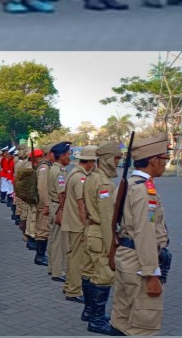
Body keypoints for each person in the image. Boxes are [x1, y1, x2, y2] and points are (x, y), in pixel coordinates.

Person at [110, 132, 168, 336]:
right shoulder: (144, 191)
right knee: (144, 326)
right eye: (164, 159)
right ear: (153, 160)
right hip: (140, 265)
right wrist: (152, 273)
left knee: (122, 318)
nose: (166, 164)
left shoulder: (132, 184)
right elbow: (145, 233)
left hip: (127, 259)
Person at [82, 141, 124, 332]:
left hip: (92, 232)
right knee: (103, 276)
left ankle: (89, 312)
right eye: (116, 158)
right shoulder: (104, 182)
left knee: (89, 273)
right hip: (101, 234)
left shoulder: (92, 177)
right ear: (107, 159)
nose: (117, 162)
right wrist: (111, 249)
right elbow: (107, 218)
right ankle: (96, 321)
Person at [64, 145, 100, 303]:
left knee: (73, 256)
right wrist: (86, 225)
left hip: (72, 222)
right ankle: (74, 290)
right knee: (77, 259)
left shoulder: (75, 173)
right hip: (78, 223)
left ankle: (69, 285)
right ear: (90, 162)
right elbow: (81, 204)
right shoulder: (80, 178)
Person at [49, 141, 74, 279]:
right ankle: (58, 272)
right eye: (68, 154)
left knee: (54, 238)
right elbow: (61, 194)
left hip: (54, 206)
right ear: (62, 156)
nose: (70, 157)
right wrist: (64, 209)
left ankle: (53, 267)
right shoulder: (60, 172)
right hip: (58, 206)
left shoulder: (55, 169)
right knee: (59, 240)